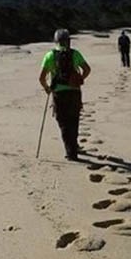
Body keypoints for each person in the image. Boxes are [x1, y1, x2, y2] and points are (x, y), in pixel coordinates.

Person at [39, 28, 91, 160]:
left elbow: (41, 78)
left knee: (63, 122)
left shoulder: (50, 55)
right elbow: (87, 69)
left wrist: (47, 88)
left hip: (59, 93)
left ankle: (71, 151)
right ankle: (74, 146)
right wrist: (80, 79)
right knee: (74, 120)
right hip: (74, 92)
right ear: (68, 41)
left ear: (55, 41)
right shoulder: (75, 54)